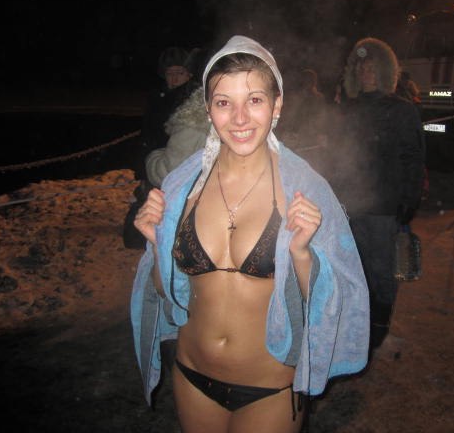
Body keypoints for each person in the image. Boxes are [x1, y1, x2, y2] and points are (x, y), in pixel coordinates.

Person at [131, 35, 369, 433]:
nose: (240, 118)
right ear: (208, 109)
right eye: (224, 102)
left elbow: (337, 301)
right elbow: (167, 291)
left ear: (277, 105)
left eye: (254, 100)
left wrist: (302, 255)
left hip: (269, 390)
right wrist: (157, 246)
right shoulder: (181, 189)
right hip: (191, 376)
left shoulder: (305, 190)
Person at [327, 37, 425, 353]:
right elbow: (337, 157)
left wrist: (409, 200)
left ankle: (378, 330)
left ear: (384, 71)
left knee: (382, 271)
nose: (366, 73)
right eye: (361, 67)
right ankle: (357, 325)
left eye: (371, 67)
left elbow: (413, 159)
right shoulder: (348, 109)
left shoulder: (401, 110)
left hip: (384, 205)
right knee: (353, 269)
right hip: (352, 204)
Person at [123, 46, 201, 249]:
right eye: (169, 73)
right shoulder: (158, 97)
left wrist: (154, 159)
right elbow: (149, 132)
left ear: (189, 74)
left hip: (169, 166)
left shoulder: (189, 101)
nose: (174, 78)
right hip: (155, 162)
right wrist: (143, 162)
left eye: (179, 73)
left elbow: (179, 145)